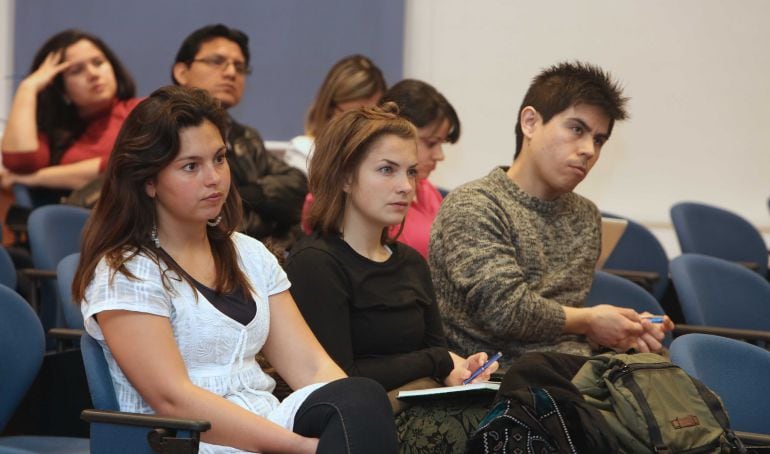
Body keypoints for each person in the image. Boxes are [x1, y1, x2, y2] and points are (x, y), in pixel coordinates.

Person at [73, 86, 397, 454]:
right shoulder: (126, 271)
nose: (214, 178)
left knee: (360, 397)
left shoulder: (249, 253)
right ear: (149, 180)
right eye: (191, 166)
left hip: (266, 423)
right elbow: (173, 401)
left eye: (220, 158)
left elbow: (312, 368)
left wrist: (349, 418)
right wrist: (301, 448)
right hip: (186, 439)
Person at [429, 62, 674, 366]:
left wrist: (612, 334)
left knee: (663, 380)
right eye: (576, 129)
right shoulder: (475, 204)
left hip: (569, 373)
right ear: (530, 123)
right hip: (495, 382)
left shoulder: (584, 215)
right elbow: (505, 311)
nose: (588, 150)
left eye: (599, 139)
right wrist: (589, 321)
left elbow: (559, 321)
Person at [284, 103, 498, 452]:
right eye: (387, 170)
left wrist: (460, 369)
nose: (405, 187)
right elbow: (342, 383)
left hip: (424, 410)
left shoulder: (411, 262)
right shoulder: (316, 264)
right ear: (344, 177)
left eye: (411, 172)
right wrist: (438, 363)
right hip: (364, 428)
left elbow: (436, 349)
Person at [172, 24, 307, 247]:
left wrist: (249, 194)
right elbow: (218, 223)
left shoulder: (246, 137)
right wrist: (269, 212)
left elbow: (297, 187)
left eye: (239, 66)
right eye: (217, 61)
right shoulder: (162, 131)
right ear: (182, 72)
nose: (231, 72)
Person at [1, 29, 139, 203]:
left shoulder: (142, 111)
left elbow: (123, 164)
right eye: (77, 71)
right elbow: (20, 162)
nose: (93, 74)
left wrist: (34, 178)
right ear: (61, 89)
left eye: (98, 62)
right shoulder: (56, 135)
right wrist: (28, 87)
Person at [379, 79, 460, 258]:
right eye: (431, 143)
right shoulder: (369, 196)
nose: (440, 155)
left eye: (441, 143)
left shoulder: (428, 191)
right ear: (396, 131)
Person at [285, 54, 386, 174]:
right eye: (354, 116)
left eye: (373, 115)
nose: (363, 127)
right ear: (329, 109)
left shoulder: (390, 158)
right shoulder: (304, 152)